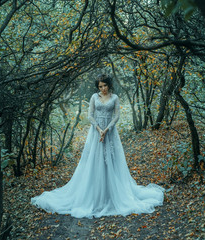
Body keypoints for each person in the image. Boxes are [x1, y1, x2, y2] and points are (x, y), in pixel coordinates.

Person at [31, 74, 164, 218]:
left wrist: (107, 129)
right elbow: (90, 115)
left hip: (111, 133)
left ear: (109, 85)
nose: (103, 88)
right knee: (95, 160)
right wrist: (99, 130)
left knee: (111, 160)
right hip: (95, 133)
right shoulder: (94, 97)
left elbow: (117, 115)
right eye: (100, 86)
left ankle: (111, 192)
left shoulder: (115, 98)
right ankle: (96, 193)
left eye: (105, 85)